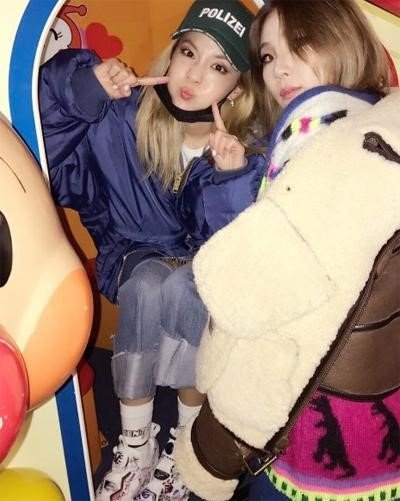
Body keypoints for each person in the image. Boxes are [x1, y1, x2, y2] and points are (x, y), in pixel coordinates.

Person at [38, 1, 267, 500]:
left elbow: (239, 252)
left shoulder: (248, 149)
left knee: (187, 288)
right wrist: (85, 90)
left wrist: (230, 181)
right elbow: (47, 159)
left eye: (219, 68)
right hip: (133, 252)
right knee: (146, 284)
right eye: (189, 53)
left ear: (237, 88)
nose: (195, 76)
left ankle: (187, 444)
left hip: (205, 267)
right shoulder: (121, 116)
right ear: (172, 52)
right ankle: (136, 444)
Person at [173, 1, 400, 501]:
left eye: (300, 45)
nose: (279, 69)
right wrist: (235, 180)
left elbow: (250, 292)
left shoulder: (340, 149)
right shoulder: (354, 124)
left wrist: (213, 447)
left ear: (343, 39)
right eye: (269, 56)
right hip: (361, 394)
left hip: (316, 411)